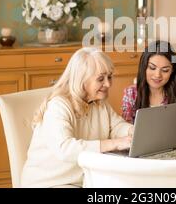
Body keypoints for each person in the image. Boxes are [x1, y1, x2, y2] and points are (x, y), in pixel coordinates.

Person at [21, 47, 133, 188]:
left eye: (109, 77)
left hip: (84, 181)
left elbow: (116, 126)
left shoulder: (99, 103)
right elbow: (65, 149)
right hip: (49, 183)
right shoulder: (59, 105)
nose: (108, 84)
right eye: (100, 79)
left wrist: (131, 131)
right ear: (82, 80)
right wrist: (114, 143)